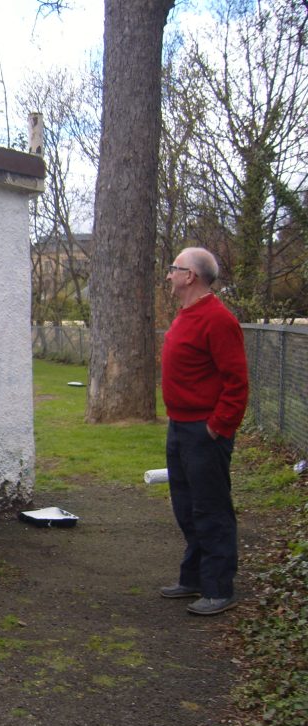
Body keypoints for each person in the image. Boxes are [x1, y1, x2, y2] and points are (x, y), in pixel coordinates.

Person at [160, 246, 248, 616]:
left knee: (210, 508)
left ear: (190, 276)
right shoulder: (187, 315)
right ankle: (194, 577)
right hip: (180, 426)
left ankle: (218, 587)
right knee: (186, 506)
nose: (168, 275)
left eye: (174, 269)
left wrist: (217, 428)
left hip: (203, 431)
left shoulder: (217, 319)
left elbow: (237, 383)